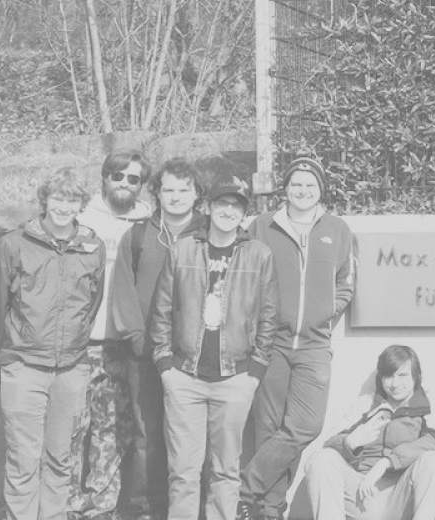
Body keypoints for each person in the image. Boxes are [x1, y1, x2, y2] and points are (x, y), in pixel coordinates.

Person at [147, 177, 278, 520]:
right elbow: (162, 309)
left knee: (225, 471)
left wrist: (255, 372)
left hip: (235, 378)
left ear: (245, 213)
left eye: (236, 206)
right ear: (208, 207)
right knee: (184, 472)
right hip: (184, 377)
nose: (228, 211)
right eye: (222, 203)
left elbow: (268, 316)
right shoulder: (183, 248)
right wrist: (164, 365)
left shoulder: (259, 255)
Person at [0, 168, 106, 520]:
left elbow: (91, 305)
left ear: (81, 204)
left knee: (60, 458)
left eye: (73, 200)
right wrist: (14, 349)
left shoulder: (92, 247)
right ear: (45, 200)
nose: (65, 206)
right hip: (25, 368)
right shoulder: (14, 245)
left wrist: (73, 344)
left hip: (70, 369)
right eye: (58, 198)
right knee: (23, 459)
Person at [239, 156, 358, 520]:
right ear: (285, 188)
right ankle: (269, 511)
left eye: (310, 184)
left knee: (305, 425)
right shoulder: (262, 226)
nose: (303, 190)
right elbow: (244, 275)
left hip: (314, 346)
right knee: (268, 428)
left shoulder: (337, 230)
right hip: (271, 344)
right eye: (296, 184)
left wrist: (324, 314)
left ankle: (244, 487)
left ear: (320, 189)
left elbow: (346, 283)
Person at [106, 158, 210, 517]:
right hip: (146, 355)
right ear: (157, 193)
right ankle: (143, 509)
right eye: (169, 189)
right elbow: (122, 292)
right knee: (146, 436)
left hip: (195, 357)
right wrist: (137, 340)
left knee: (192, 441)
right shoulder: (137, 236)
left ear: (197, 193)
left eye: (184, 189)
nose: (177, 196)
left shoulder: (211, 234)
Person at [72, 152, 155, 519]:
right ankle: (65, 505)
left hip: (122, 345)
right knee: (74, 430)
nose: (124, 183)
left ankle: (100, 508)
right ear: (104, 178)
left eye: (133, 178)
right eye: (117, 176)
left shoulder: (149, 223)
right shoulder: (79, 219)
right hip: (79, 343)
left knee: (113, 431)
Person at [303, 344, 435, 520]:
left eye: (402, 375)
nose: (395, 384)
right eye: (388, 376)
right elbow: (330, 442)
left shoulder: (429, 405)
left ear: (416, 376)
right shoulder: (366, 404)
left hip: (402, 496)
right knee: (321, 459)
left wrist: (388, 462)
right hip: (363, 495)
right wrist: (348, 443)